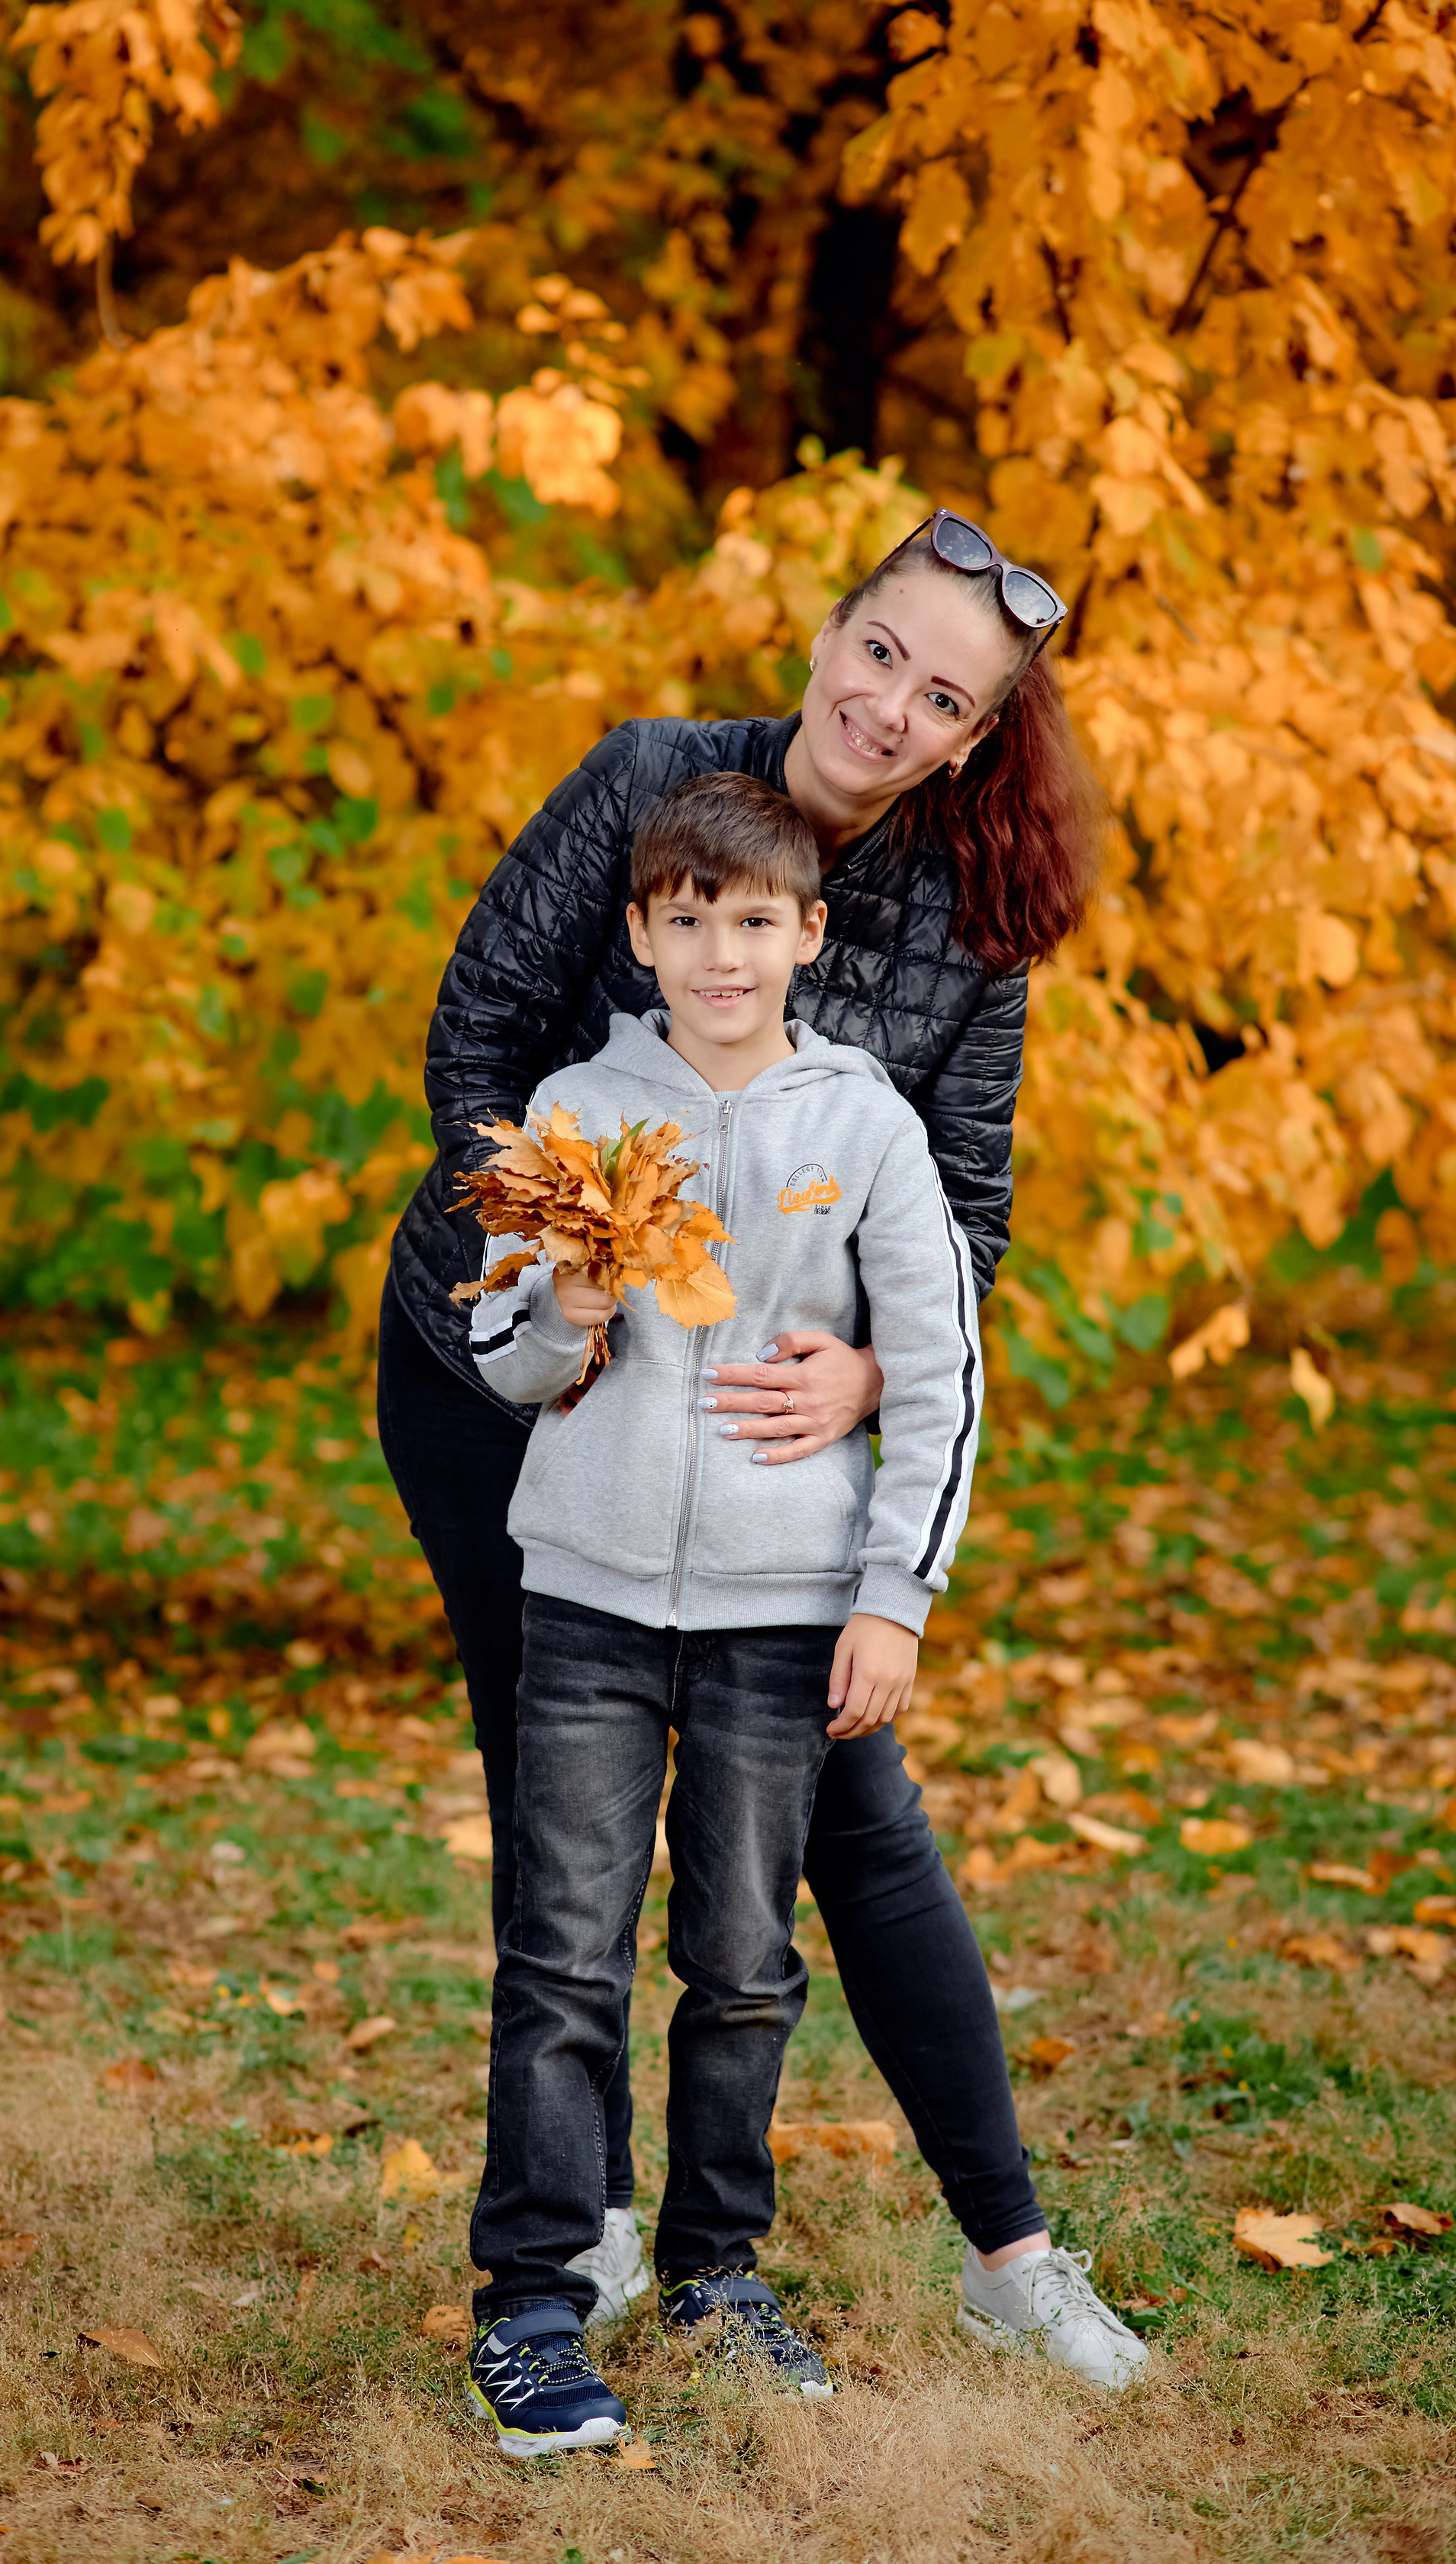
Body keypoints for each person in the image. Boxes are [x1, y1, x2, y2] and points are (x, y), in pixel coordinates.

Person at [378, 509, 1149, 2395]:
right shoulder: (653, 785)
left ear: (974, 741)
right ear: (832, 631)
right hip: (521, 1385)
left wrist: (875, 1384)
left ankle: (1011, 2250)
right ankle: (591, 2226)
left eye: (943, 696)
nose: (891, 707)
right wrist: (559, 1246)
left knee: (850, 1823)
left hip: (768, 1450)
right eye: (882, 652)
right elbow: (474, 1032)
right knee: (559, 1813)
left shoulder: (967, 933)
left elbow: (959, 1230)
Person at [464, 768, 984, 2453]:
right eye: (684, 923)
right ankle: (535, 2301)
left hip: (781, 1610)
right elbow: (499, 1354)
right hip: (594, 1604)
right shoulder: (571, 1114)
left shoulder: (866, 1128)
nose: (718, 954)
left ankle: (715, 2271)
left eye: (752, 921)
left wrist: (895, 1595)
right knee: (562, 1953)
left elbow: (942, 1362)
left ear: (808, 936)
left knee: (746, 1962)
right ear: (639, 935)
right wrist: (575, 1312)